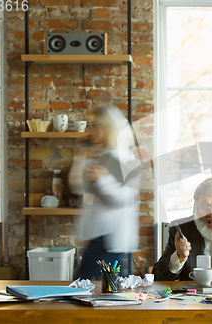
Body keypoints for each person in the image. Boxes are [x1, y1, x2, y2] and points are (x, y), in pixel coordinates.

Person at [69, 105, 139, 280]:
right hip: (100, 236)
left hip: (109, 238)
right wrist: (81, 157)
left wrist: (100, 180)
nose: (89, 130)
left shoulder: (122, 157)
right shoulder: (100, 156)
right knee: (113, 294)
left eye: (94, 125)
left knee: (80, 287)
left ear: (106, 128)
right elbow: (76, 186)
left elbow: (126, 198)